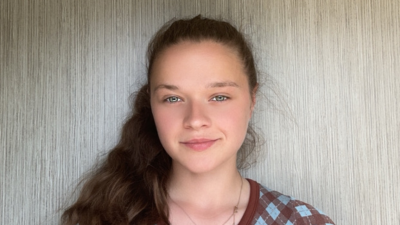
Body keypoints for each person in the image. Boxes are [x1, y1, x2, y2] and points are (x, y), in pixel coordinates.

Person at [61, 15, 335, 225]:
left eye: (218, 97)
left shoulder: (301, 221)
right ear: (152, 106)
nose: (195, 120)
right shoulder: (108, 216)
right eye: (173, 98)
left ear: (252, 101)